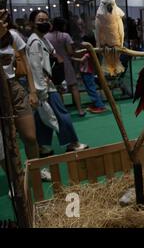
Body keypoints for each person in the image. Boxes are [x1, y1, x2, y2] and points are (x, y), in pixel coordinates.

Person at [27, 10, 88, 156]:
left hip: (50, 83)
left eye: (47, 20)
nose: (45, 23)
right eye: (40, 20)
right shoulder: (35, 42)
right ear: (31, 24)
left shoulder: (43, 39)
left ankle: (42, 146)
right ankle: (72, 142)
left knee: (42, 117)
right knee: (62, 114)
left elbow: (53, 55)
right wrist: (41, 91)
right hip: (44, 87)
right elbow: (35, 67)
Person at [0, 10, 51, 180]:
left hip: (14, 87)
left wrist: (32, 90)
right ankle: (16, 178)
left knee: (30, 136)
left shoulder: (12, 35)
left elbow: (26, 61)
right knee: (5, 143)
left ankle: (36, 170)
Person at [45, 17, 86, 117]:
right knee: (73, 87)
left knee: (58, 89)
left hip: (54, 65)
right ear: (62, 25)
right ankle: (80, 110)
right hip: (66, 63)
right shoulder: (65, 35)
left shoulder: (46, 36)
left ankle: (62, 111)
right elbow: (70, 52)